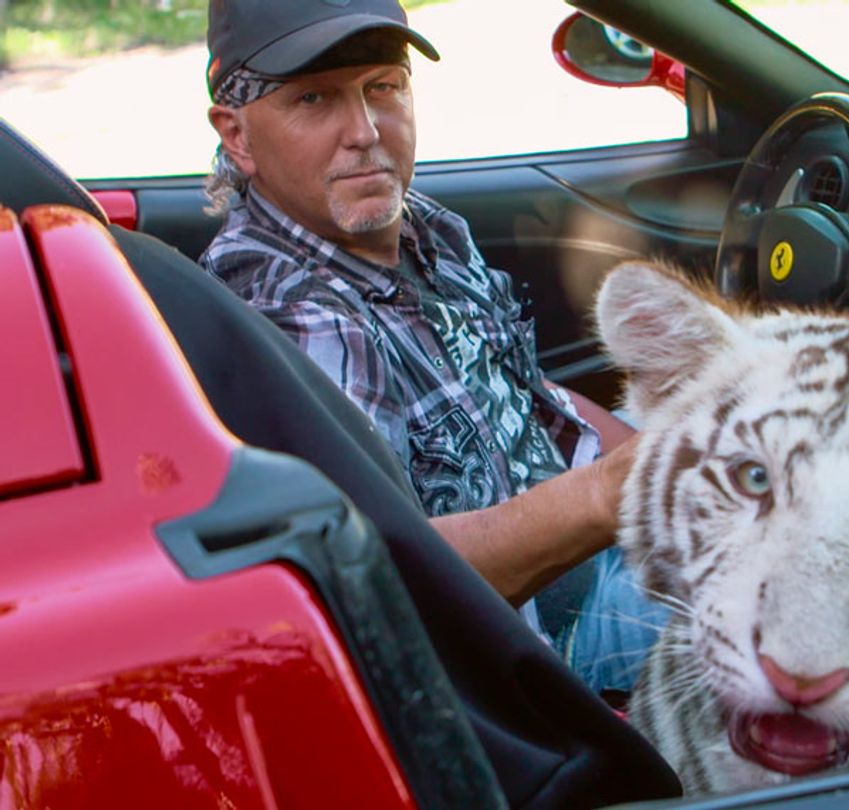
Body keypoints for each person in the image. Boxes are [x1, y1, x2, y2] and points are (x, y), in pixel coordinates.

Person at [199, 0, 665, 694]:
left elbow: (523, 393)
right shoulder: (301, 317)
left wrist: (649, 460)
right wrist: (614, 492)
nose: (363, 132)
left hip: (587, 560)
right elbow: (389, 579)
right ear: (236, 135)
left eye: (383, 86)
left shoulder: (425, 232)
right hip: (535, 656)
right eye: (314, 98)